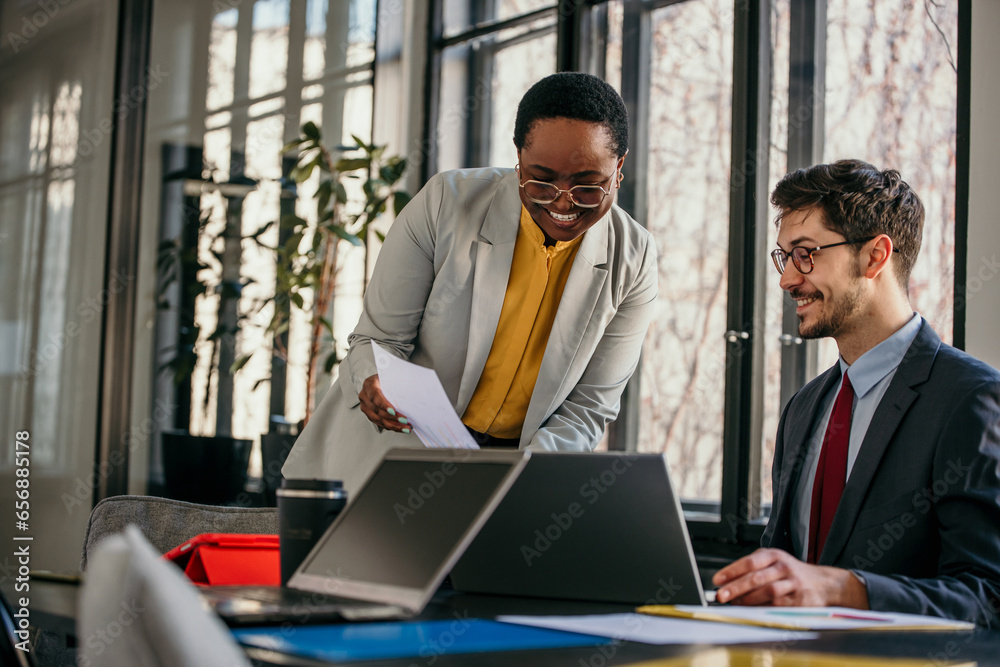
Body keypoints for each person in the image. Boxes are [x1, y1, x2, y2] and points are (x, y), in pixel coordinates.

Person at [281, 72, 657, 495]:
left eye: (588, 186)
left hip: (514, 468)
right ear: (519, 159)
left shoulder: (635, 259)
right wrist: (373, 377)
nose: (562, 201)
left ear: (618, 168)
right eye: (541, 180)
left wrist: (516, 482)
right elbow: (378, 339)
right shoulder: (446, 202)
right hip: (393, 450)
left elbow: (588, 407)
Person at [713, 159, 1000, 626]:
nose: (787, 279)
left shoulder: (972, 400)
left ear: (875, 256)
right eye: (785, 257)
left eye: (805, 254)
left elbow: (988, 596)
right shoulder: (803, 408)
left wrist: (845, 591)